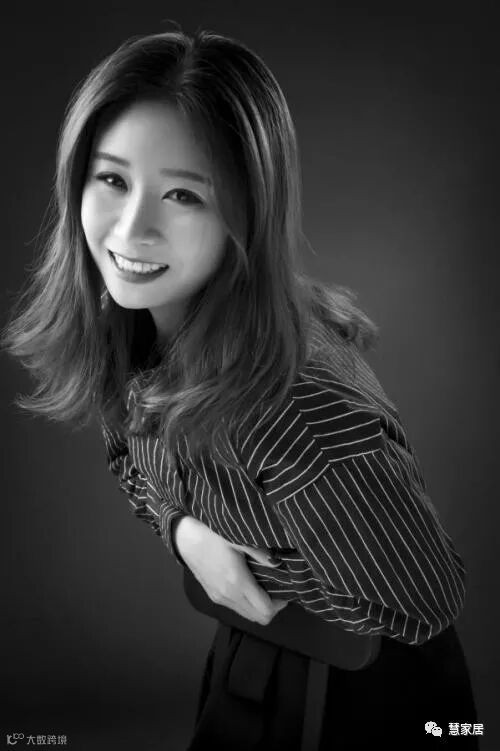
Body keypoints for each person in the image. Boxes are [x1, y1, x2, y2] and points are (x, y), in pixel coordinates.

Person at [2, 26, 480, 751]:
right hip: (251, 654)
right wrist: (187, 535)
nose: (132, 228)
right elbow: (130, 462)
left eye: (183, 194)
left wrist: (268, 575)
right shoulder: (136, 328)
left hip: (370, 696)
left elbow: (425, 601)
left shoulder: (298, 408)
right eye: (113, 180)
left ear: (245, 213)